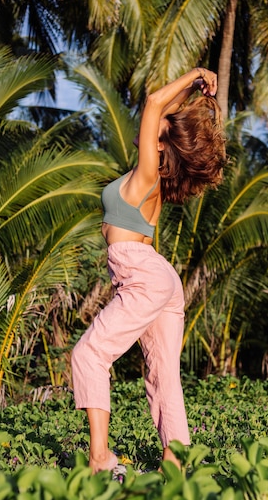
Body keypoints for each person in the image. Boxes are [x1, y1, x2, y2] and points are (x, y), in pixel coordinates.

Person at [71, 68, 227, 473]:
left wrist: (196, 73)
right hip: (156, 275)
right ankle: (175, 463)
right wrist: (193, 90)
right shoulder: (152, 176)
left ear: (159, 143)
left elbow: (156, 103)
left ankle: (101, 458)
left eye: (158, 126)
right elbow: (164, 109)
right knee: (163, 376)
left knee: (89, 355)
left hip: (141, 272)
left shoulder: (146, 174)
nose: (155, 120)